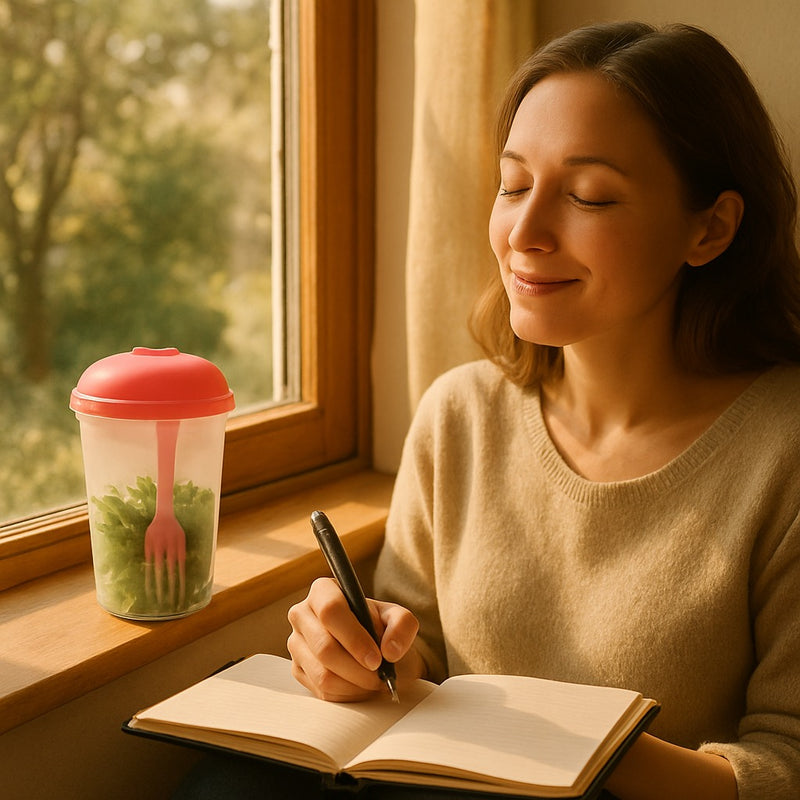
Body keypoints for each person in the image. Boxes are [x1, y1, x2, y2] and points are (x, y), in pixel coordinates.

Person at [174, 20, 800, 800]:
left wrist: (569, 747)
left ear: (709, 229)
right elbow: (416, 655)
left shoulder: (783, 448)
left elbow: (785, 765)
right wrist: (359, 655)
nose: (524, 234)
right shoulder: (458, 415)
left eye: (588, 196)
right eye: (512, 185)